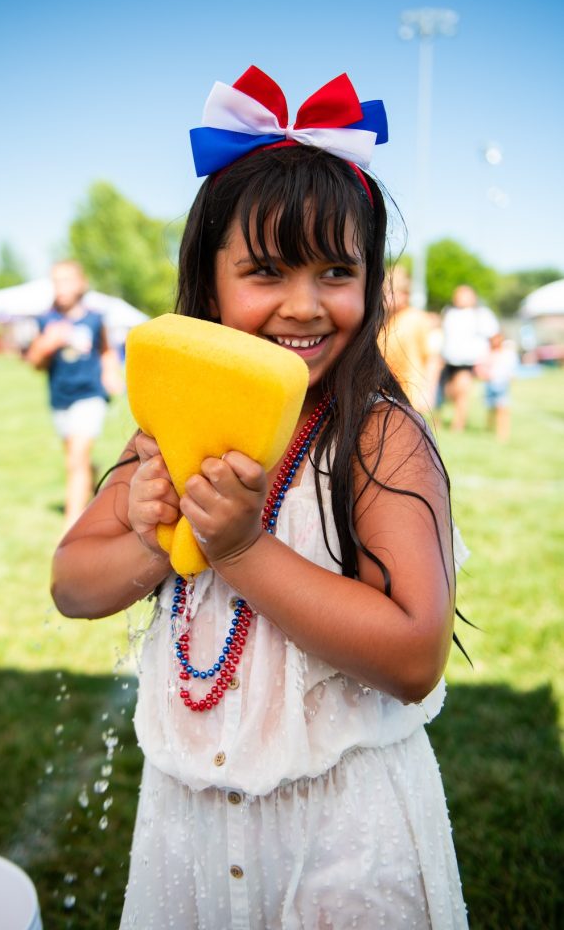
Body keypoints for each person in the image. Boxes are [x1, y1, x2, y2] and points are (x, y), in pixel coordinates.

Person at [51, 67, 469, 929]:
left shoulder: (376, 437)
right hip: (187, 829)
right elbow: (71, 586)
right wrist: (148, 534)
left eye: (334, 272)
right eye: (266, 272)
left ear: (372, 284)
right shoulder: (170, 426)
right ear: (208, 284)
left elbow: (412, 654)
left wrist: (240, 547)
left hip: (343, 834)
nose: (303, 306)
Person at [27, 259, 120, 530]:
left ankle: (72, 523)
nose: (61, 287)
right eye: (56, 281)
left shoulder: (95, 319)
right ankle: (90, 483)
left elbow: (106, 350)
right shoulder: (46, 319)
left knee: (76, 459)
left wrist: (111, 373)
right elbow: (34, 362)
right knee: (75, 457)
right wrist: (48, 343)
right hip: (60, 397)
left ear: (82, 283)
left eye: (67, 280)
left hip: (90, 395)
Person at [438, 284, 499, 432]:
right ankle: (447, 421)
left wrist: (489, 358)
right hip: (448, 359)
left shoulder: (482, 314)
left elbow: (495, 337)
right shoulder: (448, 313)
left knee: (462, 391)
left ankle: (458, 425)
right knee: (448, 391)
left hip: (468, 361)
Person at [380, 265, 440, 412]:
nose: (386, 297)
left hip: (411, 395)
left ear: (405, 295)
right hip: (386, 395)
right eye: (384, 292)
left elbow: (434, 359)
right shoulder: (382, 321)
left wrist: (428, 393)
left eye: (391, 292)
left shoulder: (417, 318)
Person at [476, 330, 519, 442]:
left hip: (502, 384)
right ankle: (490, 429)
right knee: (490, 409)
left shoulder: (507, 354)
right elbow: (479, 368)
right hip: (490, 384)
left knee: (502, 409)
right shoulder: (487, 354)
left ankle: (503, 434)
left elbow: (511, 369)